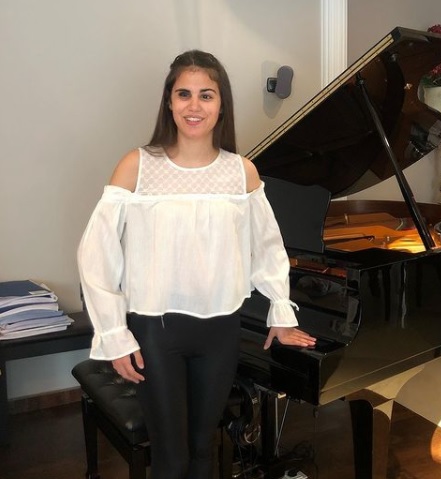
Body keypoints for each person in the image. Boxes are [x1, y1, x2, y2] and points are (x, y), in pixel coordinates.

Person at [77, 50, 316, 479]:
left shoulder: (241, 172)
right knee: (172, 456)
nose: (194, 105)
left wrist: (280, 309)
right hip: (154, 331)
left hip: (220, 329)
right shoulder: (138, 166)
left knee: (204, 449)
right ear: (168, 102)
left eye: (206, 95)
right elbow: (95, 252)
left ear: (221, 103)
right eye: (183, 94)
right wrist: (114, 334)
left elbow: (267, 245)